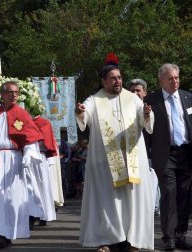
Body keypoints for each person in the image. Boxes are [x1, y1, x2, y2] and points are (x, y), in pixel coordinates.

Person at [75, 59, 154, 252]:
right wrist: (80, 112)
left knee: (134, 201)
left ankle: (134, 240)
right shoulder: (94, 100)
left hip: (133, 159)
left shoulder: (132, 98)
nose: (117, 81)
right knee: (108, 201)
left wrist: (146, 114)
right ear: (103, 81)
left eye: (119, 77)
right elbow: (84, 116)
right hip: (105, 162)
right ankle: (107, 240)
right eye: (112, 78)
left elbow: (147, 123)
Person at [144, 63, 192, 251]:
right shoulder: (151, 100)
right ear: (161, 80)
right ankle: (168, 238)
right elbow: (147, 131)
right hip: (165, 154)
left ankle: (181, 236)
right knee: (169, 195)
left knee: (184, 196)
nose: (175, 81)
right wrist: (147, 156)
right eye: (170, 78)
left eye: (177, 77)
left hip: (186, 153)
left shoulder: (187, 97)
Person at [0, 81, 43, 248]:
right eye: (10, 92)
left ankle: (10, 232)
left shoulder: (22, 113)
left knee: (12, 198)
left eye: (16, 92)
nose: (14, 95)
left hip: (14, 159)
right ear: (2, 95)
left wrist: (28, 154)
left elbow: (30, 138)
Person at [128, 78, 161, 216]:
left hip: (150, 154)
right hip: (130, 155)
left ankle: (153, 208)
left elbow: (154, 130)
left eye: (138, 90)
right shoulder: (124, 109)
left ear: (145, 93)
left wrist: (147, 115)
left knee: (151, 185)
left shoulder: (152, 107)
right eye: (132, 91)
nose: (135, 93)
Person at [33, 115, 58, 225]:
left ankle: (43, 215)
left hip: (40, 158)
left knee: (42, 187)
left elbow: (46, 142)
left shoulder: (44, 123)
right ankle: (31, 215)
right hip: (26, 158)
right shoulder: (24, 120)